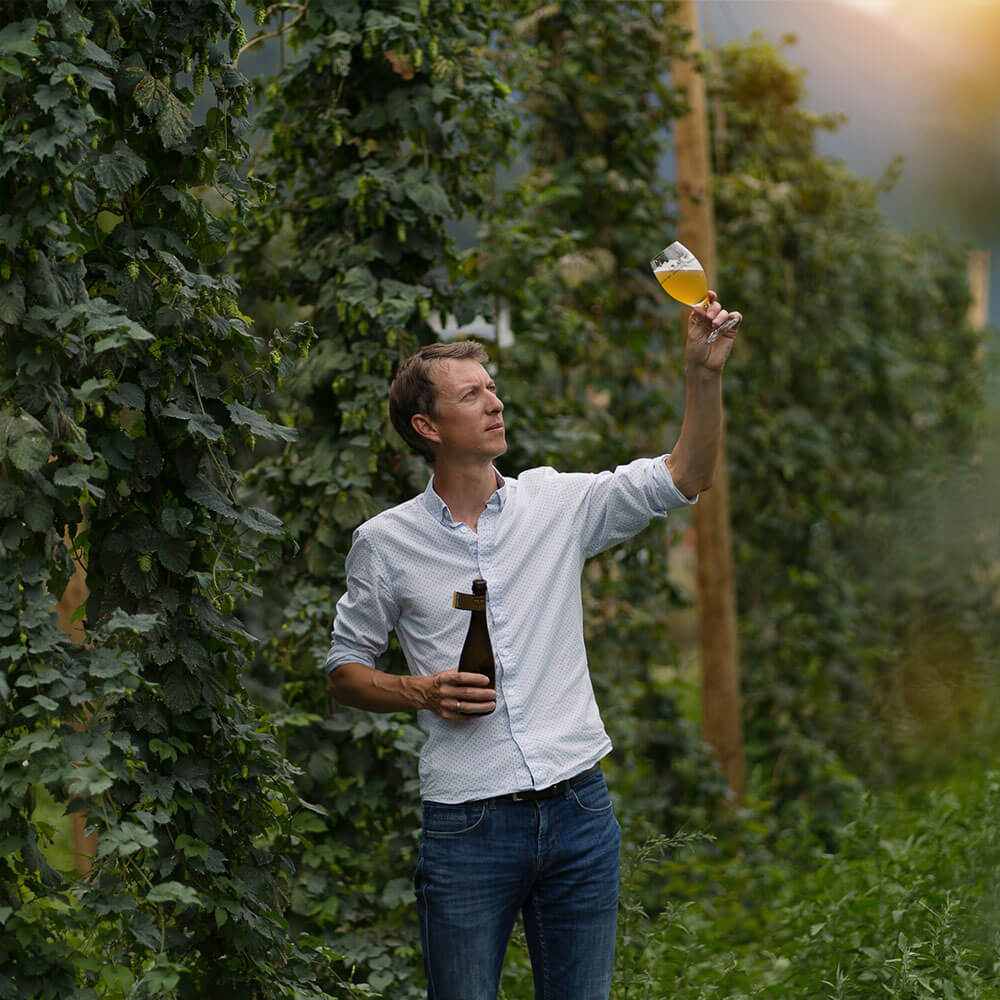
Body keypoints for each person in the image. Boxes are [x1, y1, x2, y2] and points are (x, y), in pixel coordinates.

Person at [325, 291, 741, 1000]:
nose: (495, 403)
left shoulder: (555, 504)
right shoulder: (386, 543)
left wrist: (703, 375)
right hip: (468, 822)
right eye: (471, 395)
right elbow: (344, 671)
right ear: (427, 426)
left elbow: (685, 474)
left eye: (492, 388)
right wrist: (420, 690)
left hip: (580, 809)